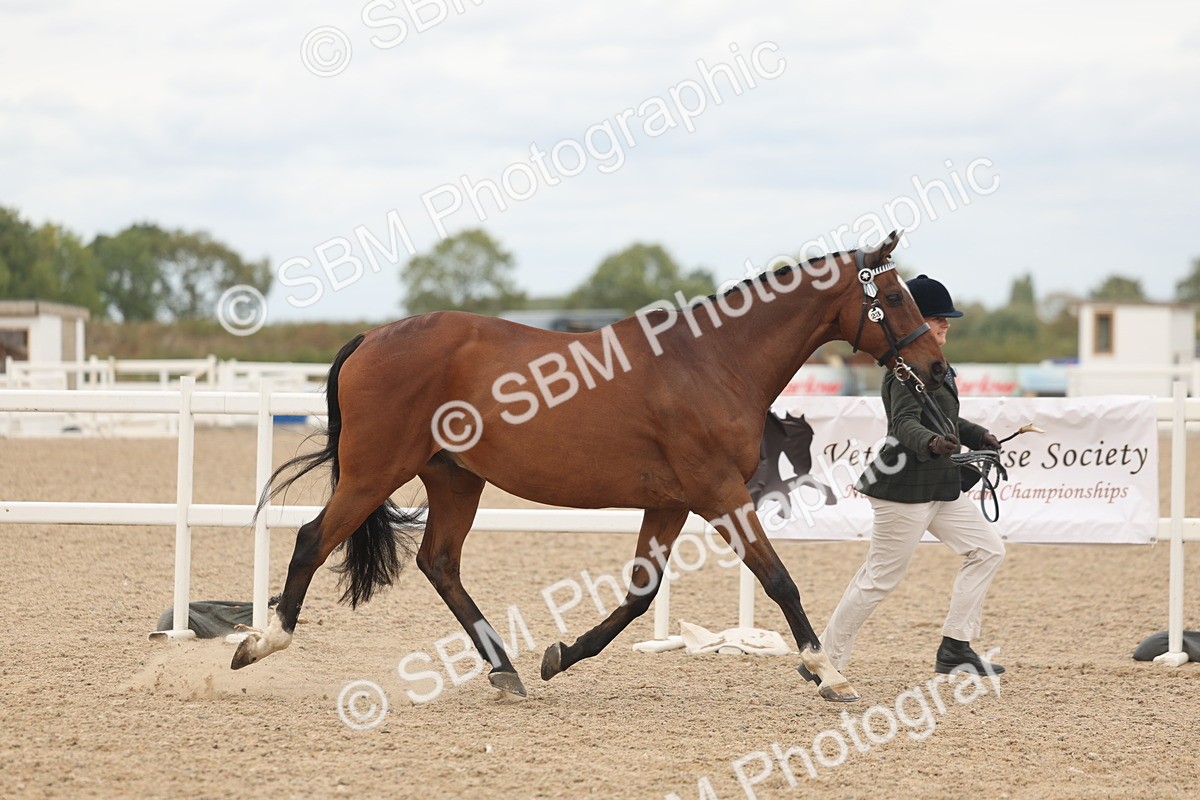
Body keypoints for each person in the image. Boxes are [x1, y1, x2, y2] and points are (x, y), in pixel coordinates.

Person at [805, 274, 1006, 682]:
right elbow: (904, 425)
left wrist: (975, 435)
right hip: (903, 488)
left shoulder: (940, 366)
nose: (946, 325)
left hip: (941, 487)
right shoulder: (902, 370)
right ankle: (826, 657)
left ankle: (955, 647)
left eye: (947, 320)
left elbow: (945, 417)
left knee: (987, 550)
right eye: (939, 319)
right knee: (880, 579)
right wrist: (933, 444)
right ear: (917, 322)